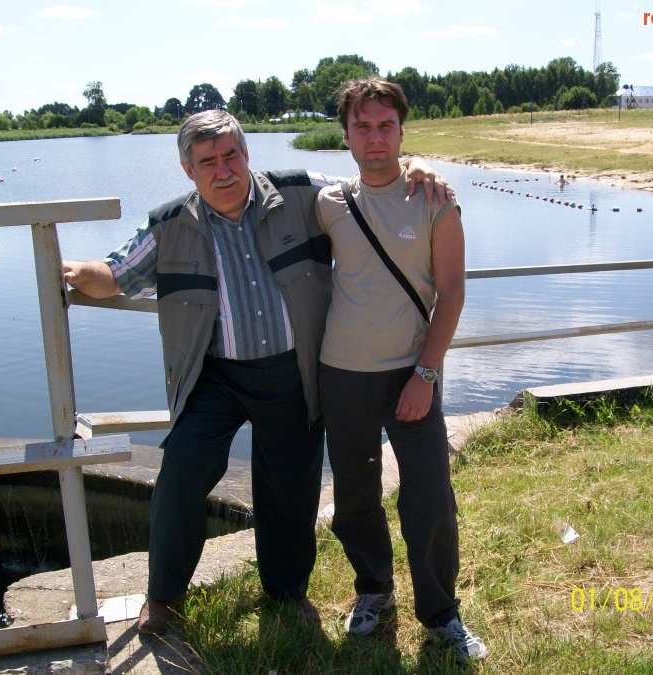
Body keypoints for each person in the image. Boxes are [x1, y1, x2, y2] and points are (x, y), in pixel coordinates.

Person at [63, 110, 450, 636]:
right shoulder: (170, 224)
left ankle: (286, 594)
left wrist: (415, 163)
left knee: (289, 490)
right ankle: (163, 596)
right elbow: (116, 274)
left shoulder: (298, 192)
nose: (223, 171)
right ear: (188, 170)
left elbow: (371, 183)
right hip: (215, 379)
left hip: (293, 374)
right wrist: (71, 272)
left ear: (247, 155)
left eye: (231, 156)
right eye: (208, 162)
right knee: (180, 466)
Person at [315, 78, 487, 663]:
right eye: (362, 126)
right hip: (342, 374)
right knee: (355, 496)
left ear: (402, 131)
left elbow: (453, 293)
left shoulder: (435, 200)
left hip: (412, 376)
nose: (375, 137)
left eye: (386, 125)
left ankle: (442, 614)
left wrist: (427, 374)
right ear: (346, 137)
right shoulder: (328, 201)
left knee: (431, 496)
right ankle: (374, 591)